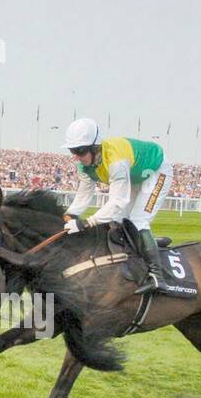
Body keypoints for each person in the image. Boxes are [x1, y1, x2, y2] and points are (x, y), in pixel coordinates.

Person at [60, 118, 185, 297]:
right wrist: (70, 215)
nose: (76, 156)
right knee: (117, 222)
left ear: (95, 147)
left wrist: (86, 223)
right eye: (73, 151)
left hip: (156, 171)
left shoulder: (115, 160)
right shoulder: (84, 167)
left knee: (138, 221)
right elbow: (83, 195)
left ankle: (157, 276)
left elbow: (118, 201)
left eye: (80, 151)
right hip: (134, 174)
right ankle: (143, 247)